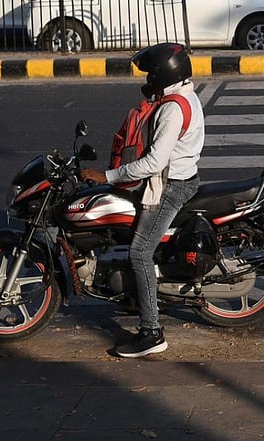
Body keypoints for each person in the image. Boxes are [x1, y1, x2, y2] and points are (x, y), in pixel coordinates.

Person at [81, 42, 205, 357]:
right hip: (177, 178)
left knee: (139, 253)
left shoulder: (172, 109)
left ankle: (151, 332)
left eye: (152, 72)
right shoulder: (184, 95)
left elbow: (153, 163)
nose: (149, 78)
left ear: (164, 73)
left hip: (171, 186)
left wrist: (108, 176)